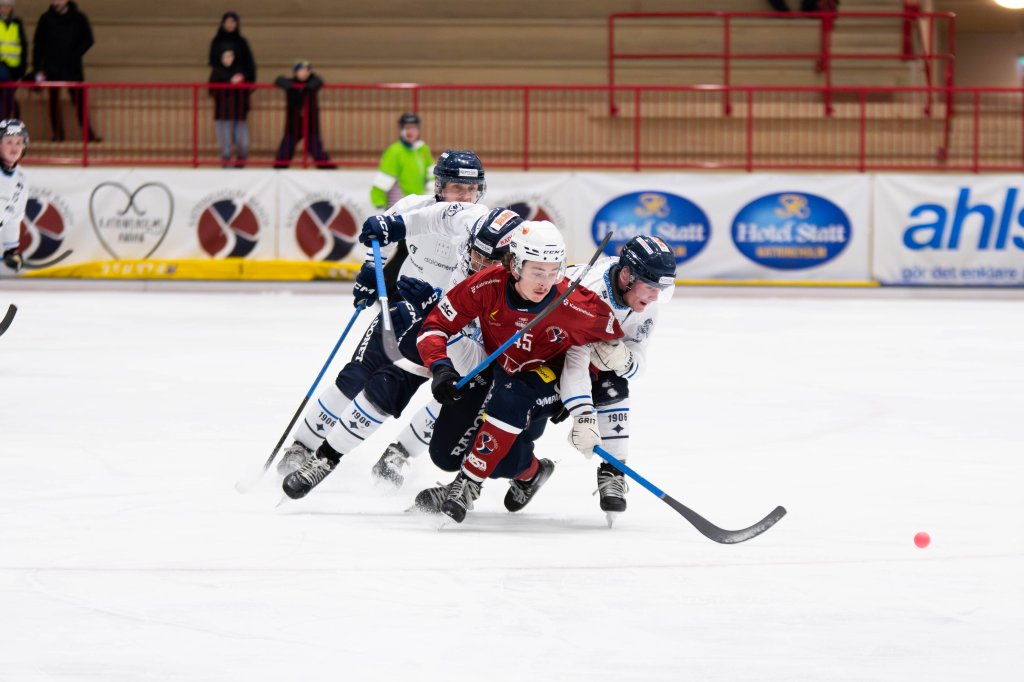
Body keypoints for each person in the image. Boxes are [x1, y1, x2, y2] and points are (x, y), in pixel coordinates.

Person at [274, 150, 488, 492]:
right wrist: (370, 271)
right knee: (355, 376)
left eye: (471, 189)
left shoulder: (480, 228)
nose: (464, 197)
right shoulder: (415, 207)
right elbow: (381, 237)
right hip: (402, 311)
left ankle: (399, 453)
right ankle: (303, 445)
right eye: (456, 188)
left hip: (450, 328)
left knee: (440, 393)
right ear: (439, 187)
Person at [279, 206, 524, 501]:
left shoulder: (521, 291)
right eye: (476, 255)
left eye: (490, 261)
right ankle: (325, 458)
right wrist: (397, 225)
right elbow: (437, 216)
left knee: (450, 420)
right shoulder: (472, 219)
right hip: (444, 323)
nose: (478, 265)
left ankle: (523, 473)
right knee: (387, 383)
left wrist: (436, 315)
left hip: (484, 359)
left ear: (514, 263)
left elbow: (481, 361)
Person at [412, 221, 625, 524]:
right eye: (537, 272)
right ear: (514, 265)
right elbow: (435, 326)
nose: (545, 282)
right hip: (502, 373)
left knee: (512, 399)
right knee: (447, 454)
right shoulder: (485, 285)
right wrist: (440, 367)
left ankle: (467, 485)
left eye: (553, 271)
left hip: (547, 382)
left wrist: (583, 409)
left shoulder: (577, 304)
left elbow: (615, 358)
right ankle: (532, 473)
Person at [558, 235, 677, 520]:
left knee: (614, 384)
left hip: (582, 359)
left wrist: (625, 360)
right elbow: (573, 359)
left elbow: (639, 357)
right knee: (525, 417)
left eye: (660, 289)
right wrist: (583, 414)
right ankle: (525, 471)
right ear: (626, 276)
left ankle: (614, 471)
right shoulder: (588, 294)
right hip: (549, 353)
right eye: (650, 287)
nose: (655, 297)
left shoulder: (646, 302)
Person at [32, 0, 99, 142]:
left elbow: (88, 39)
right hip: (52, 68)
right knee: (54, 103)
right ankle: (57, 134)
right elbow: (38, 45)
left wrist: (75, 54)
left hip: (72, 68)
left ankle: (88, 134)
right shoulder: (46, 19)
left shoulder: (78, 17)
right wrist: (38, 68)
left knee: (80, 103)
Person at [273, 60, 332, 168]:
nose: (304, 73)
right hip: (293, 126)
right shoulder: (291, 82)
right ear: (296, 72)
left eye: (307, 70)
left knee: (318, 154)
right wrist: (293, 87)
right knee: (284, 154)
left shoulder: (313, 82)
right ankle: (278, 173)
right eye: (301, 70)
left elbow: (319, 80)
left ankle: (330, 174)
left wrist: (306, 88)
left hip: (311, 125)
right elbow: (279, 79)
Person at [371, 113, 433, 210]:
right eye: (407, 128)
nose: (411, 131)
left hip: (419, 203)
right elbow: (384, 177)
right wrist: (378, 199)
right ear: (401, 130)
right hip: (399, 204)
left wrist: (432, 194)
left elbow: (431, 174)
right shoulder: (394, 151)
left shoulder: (423, 149)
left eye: (414, 128)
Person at [209, 48, 251, 167]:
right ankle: (227, 169)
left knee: (243, 144)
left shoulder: (241, 72)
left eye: (230, 56)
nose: (228, 59)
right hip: (223, 113)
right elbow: (212, 91)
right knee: (225, 148)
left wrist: (240, 84)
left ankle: (240, 166)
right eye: (225, 56)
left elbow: (248, 89)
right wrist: (230, 83)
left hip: (239, 113)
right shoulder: (216, 72)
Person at [0, 118, 28, 273]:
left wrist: (11, 249)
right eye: (9, 142)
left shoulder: (21, 178)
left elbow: (13, 216)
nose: (15, 147)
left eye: (19, 142)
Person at [207, 11, 256, 85]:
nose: (230, 25)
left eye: (233, 22)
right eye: (227, 22)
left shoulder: (241, 42)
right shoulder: (217, 41)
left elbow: (248, 62)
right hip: (220, 82)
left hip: (239, 84)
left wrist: (242, 75)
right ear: (223, 24)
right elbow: (213, 61)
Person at [0, 0, 28, 121]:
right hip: (2, 68)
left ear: (11, 8)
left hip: (14, 70)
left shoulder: (17, 23)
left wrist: (22, 70)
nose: (4, 9)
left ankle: (8, 122)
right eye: (1, 6)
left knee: (8, 99)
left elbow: (23, 46)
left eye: (7, 6)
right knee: (4, 100)